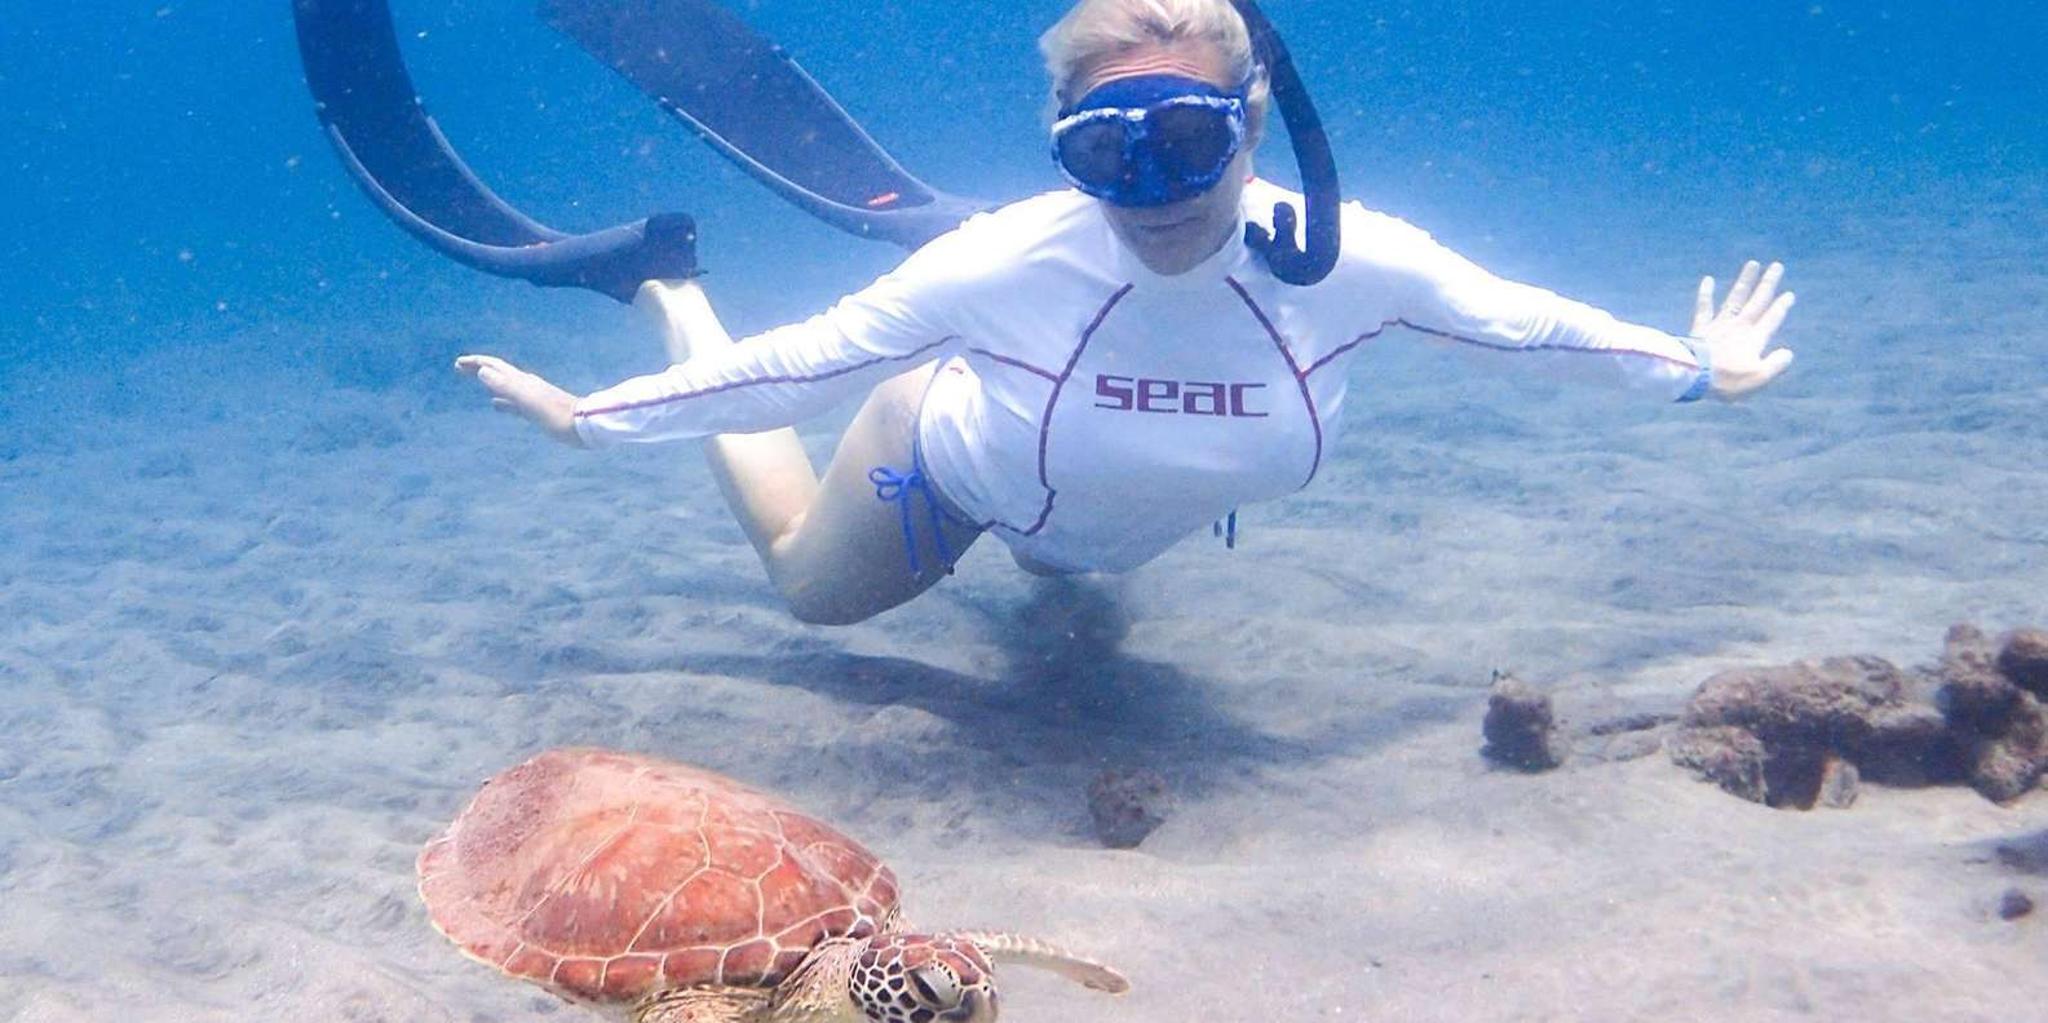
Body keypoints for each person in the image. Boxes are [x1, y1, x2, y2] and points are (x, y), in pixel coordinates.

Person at [456, 0, 1796, 626]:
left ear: (1254, 125)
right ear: (1061, 147)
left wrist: (1694, 366)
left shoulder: (1353, 264)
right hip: (952, 455)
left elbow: (1533, 329)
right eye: (1107, 152)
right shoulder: (1001, 263)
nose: (1152, 195)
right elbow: (808, 364)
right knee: (810, 588)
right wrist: (594, 421)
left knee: (1065, 583)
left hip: (1090, 503)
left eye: (1188, 142)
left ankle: (1049, 550)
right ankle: (670, 288)